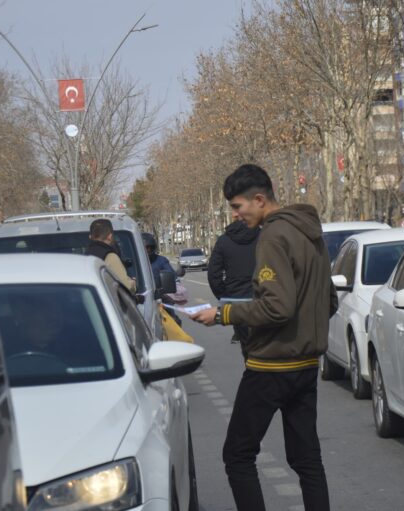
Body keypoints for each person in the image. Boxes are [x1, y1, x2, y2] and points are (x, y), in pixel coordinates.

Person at [191, 164, 338, 511]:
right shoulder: (310, 232)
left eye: (237, 206)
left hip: (270, 365)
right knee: (307, 460)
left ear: (259, 199)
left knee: (238, 456)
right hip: (305, 364)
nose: (236, 215)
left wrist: (223, 314)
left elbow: (277, 308)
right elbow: (328, 300)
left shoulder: (273, 236)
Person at [207, 211, 259, 344]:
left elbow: (213, 274)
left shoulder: (223, 241)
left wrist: (223, 294)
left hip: (235, 299)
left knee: (246, 343)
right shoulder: (264, 236)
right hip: (260, 298)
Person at [142, 232, 182, 325]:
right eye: (144, 248)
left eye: (149, 247)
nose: (147, 250)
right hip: (139, 299)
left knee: (174, 322)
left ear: (153, 247)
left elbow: (171, 275)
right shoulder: (132, 262)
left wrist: (175, 282)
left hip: (160, 298)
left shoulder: (161, 260)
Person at [86, 219, 136, 293]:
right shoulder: (110, 256)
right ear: (110, 236)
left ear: (91, 237)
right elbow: (126, 287)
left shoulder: (85, 256)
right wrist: (133, 283)